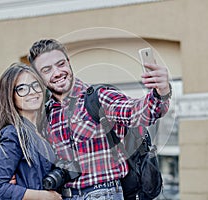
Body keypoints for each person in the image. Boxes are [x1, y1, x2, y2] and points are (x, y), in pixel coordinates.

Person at [27, 39, 172, 199]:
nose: (57, 72)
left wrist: (161, 91)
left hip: (103, 193)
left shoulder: (97, 97)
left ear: (69, 63)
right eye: (47, 70)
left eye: (61, 64)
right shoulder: (45, 114)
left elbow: (137, 113)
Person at [0, 62, 62, 200]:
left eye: (35, 85)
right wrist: (45, 196)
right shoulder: (13, 134)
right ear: (10, 95)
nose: (32, 91)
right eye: (22, 88)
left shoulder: (44, 131)